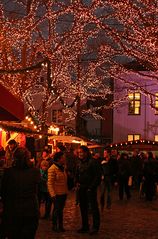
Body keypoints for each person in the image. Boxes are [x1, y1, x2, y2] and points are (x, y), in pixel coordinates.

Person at [1, 147, 41, 239]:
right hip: (30, 210)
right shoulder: (35, 172)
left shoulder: (8, 172)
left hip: (13, 210)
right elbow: (37, 192)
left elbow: (4, 193)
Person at [75, 145, 101, 235]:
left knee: (93, 208)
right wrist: (77, 181)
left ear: (86, 153)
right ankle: (85, 226)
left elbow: (97, 176)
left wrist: (91, 187)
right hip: (82, 187)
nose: (80, 154)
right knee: (83, 208)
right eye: (79, 152)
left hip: (90, 188)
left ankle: (95, 227)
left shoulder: (93, 162)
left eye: (81, 152)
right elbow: (78, 173)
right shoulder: (79, 162)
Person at [47, 151, 68, 233]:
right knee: (56, 210)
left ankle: (60, 226)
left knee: (60, 210)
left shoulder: (62, 168)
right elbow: (50, 183)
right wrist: (52, 194)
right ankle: (54, 225)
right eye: (63, 157)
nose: (65, 159)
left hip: (63, 193)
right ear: (59, 159)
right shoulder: (52, 169)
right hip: (56, 194)